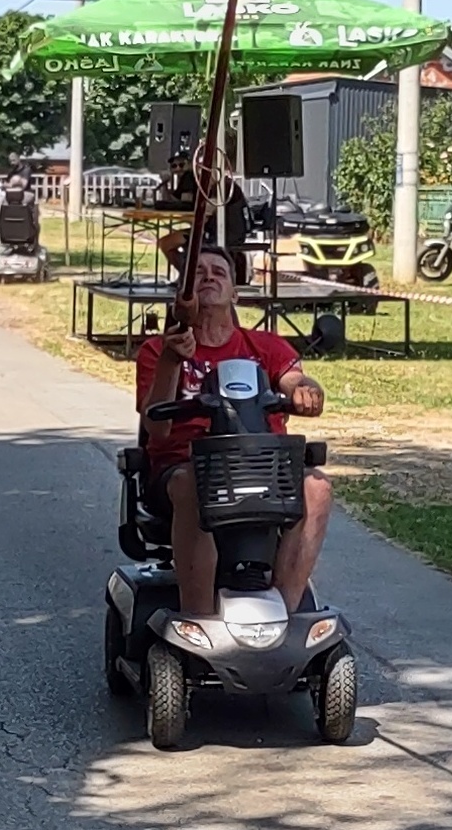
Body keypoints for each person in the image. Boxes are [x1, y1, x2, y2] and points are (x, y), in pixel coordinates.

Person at [134, 245, 331, 618]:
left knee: (317, 487)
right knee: (195, 485)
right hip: (185, 466)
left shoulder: (266, 346)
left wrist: (304, 390)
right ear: (183, 295)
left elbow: (294, 379)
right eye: (198, 272)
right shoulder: (158, 350)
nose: (208, 276)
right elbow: (156, 428)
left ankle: (282, 614)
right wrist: (172, 361)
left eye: (219, 272)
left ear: (235, 292)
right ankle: (199, 620)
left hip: (261, 468)